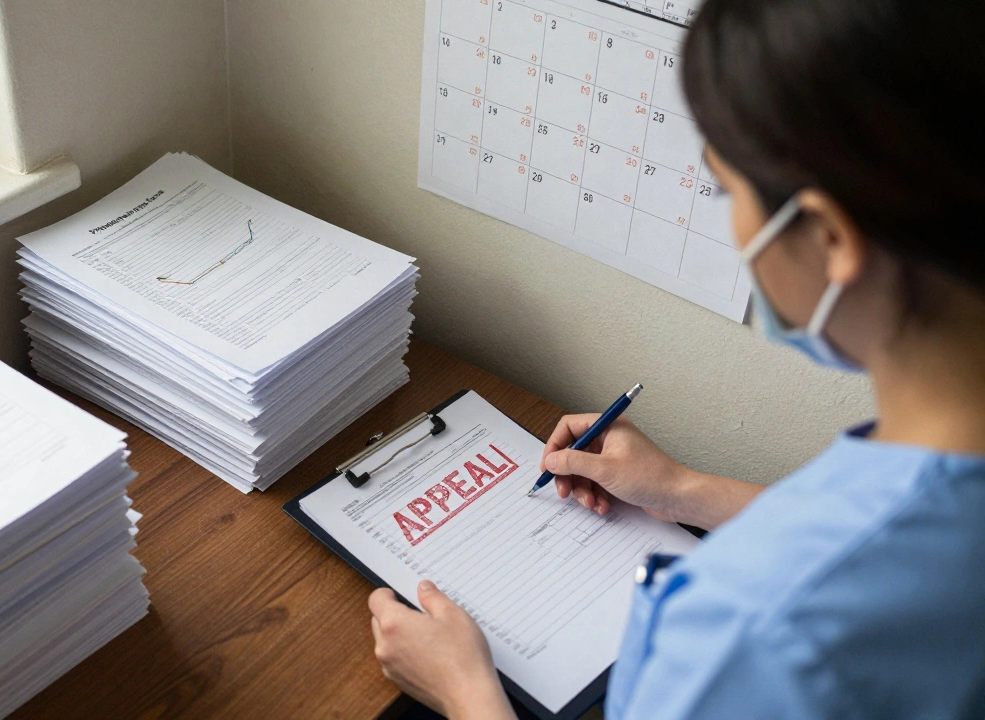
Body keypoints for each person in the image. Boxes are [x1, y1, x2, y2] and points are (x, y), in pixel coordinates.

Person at [367, 0, 985, 717]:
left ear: (829, 237)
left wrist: (467, 692)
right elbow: (899, 553)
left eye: (728, 189)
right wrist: (683, 489)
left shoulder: (747, 632)